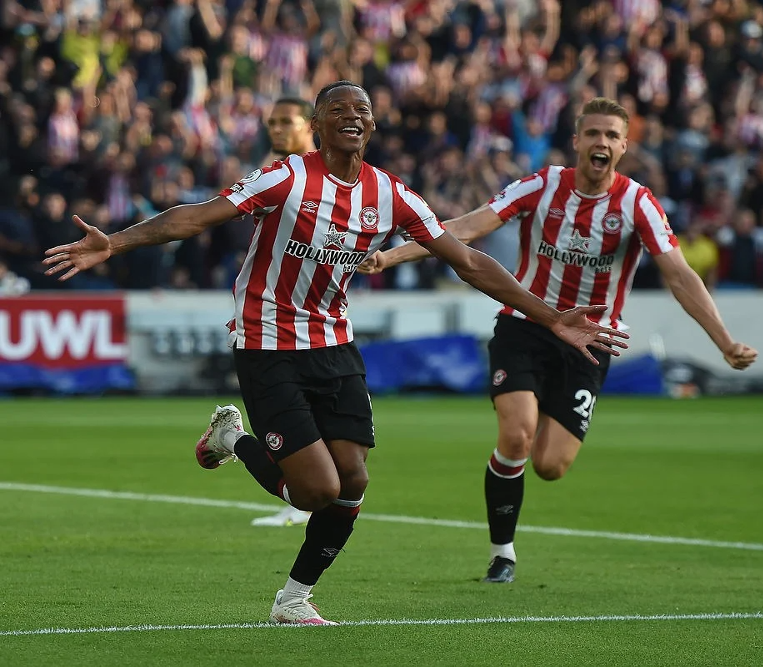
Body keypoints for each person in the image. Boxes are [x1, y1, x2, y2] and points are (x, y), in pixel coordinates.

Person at [42, 81, 628, 625]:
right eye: (340, 110)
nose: (354, 116)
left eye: (363, 110)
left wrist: (552, 319)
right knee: (315, 490)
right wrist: (114, 243)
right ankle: (236, 441)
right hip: (268, 340)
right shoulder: (286, 179)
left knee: (352, 479)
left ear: (372, 127)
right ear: (317, 125)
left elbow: (468, 260)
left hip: (335, 343)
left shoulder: (390, 194)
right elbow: (195, 217)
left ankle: (294, 598)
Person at [358, 97, 758, 584]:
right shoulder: (542, 185)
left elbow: (679, 274)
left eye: (612, 135)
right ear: (576, 141)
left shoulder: (638, 204)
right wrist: (390, 257)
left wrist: (723, 340)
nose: (602, 143)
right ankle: (502, 552)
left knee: (550, 465)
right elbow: (466, 227)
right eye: (593, 133)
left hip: (592, 341)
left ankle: (521, 487)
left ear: (625, 146)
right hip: (527, 324)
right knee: (516, 432)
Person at [244, 97, 316, 528]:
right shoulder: (273, 175)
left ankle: (301, 499)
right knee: (295, 413)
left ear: (311, 124)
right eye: (270, 122)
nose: (275, 129)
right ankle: (299, 501)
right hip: (273, 320)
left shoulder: (334, 175)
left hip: (322, 319)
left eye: (285, 122)